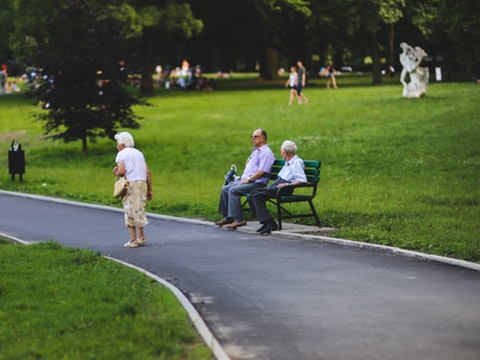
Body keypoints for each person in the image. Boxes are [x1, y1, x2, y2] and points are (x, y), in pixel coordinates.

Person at [215, 129, 275, 230]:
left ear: (263, 138)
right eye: (252, 136)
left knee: (233, 190)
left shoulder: (266, 152)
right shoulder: (256, 151)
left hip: (257, 183)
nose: (253, 138)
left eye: (256, 136)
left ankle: (239, 219)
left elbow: (262, 171)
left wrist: (249, 180)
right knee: (225, 188)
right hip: (247, 180)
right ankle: (229, 217)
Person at [247, 140, 307, 235]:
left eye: (281, 151)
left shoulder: (296, 162)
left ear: (285, 152)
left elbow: (302, 180)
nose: (281, 153)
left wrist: (286, 184)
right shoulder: (287, 162)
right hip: (278, 185)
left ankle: (268, 223)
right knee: (252, 194)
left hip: (284, 188)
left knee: (257, 196)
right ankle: (267, 222)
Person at [112, 132, 153, 248]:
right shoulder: (139, 153)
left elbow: (121, 171)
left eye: (117, 143)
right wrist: (150, 189)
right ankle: (141, 236)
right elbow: (148, 172)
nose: (116, 146)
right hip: (142, 184)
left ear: (122, 144)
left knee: (129, 210)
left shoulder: (122, 154)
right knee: (139, 209)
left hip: (131, 185)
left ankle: (133, 239)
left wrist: (115, 172)